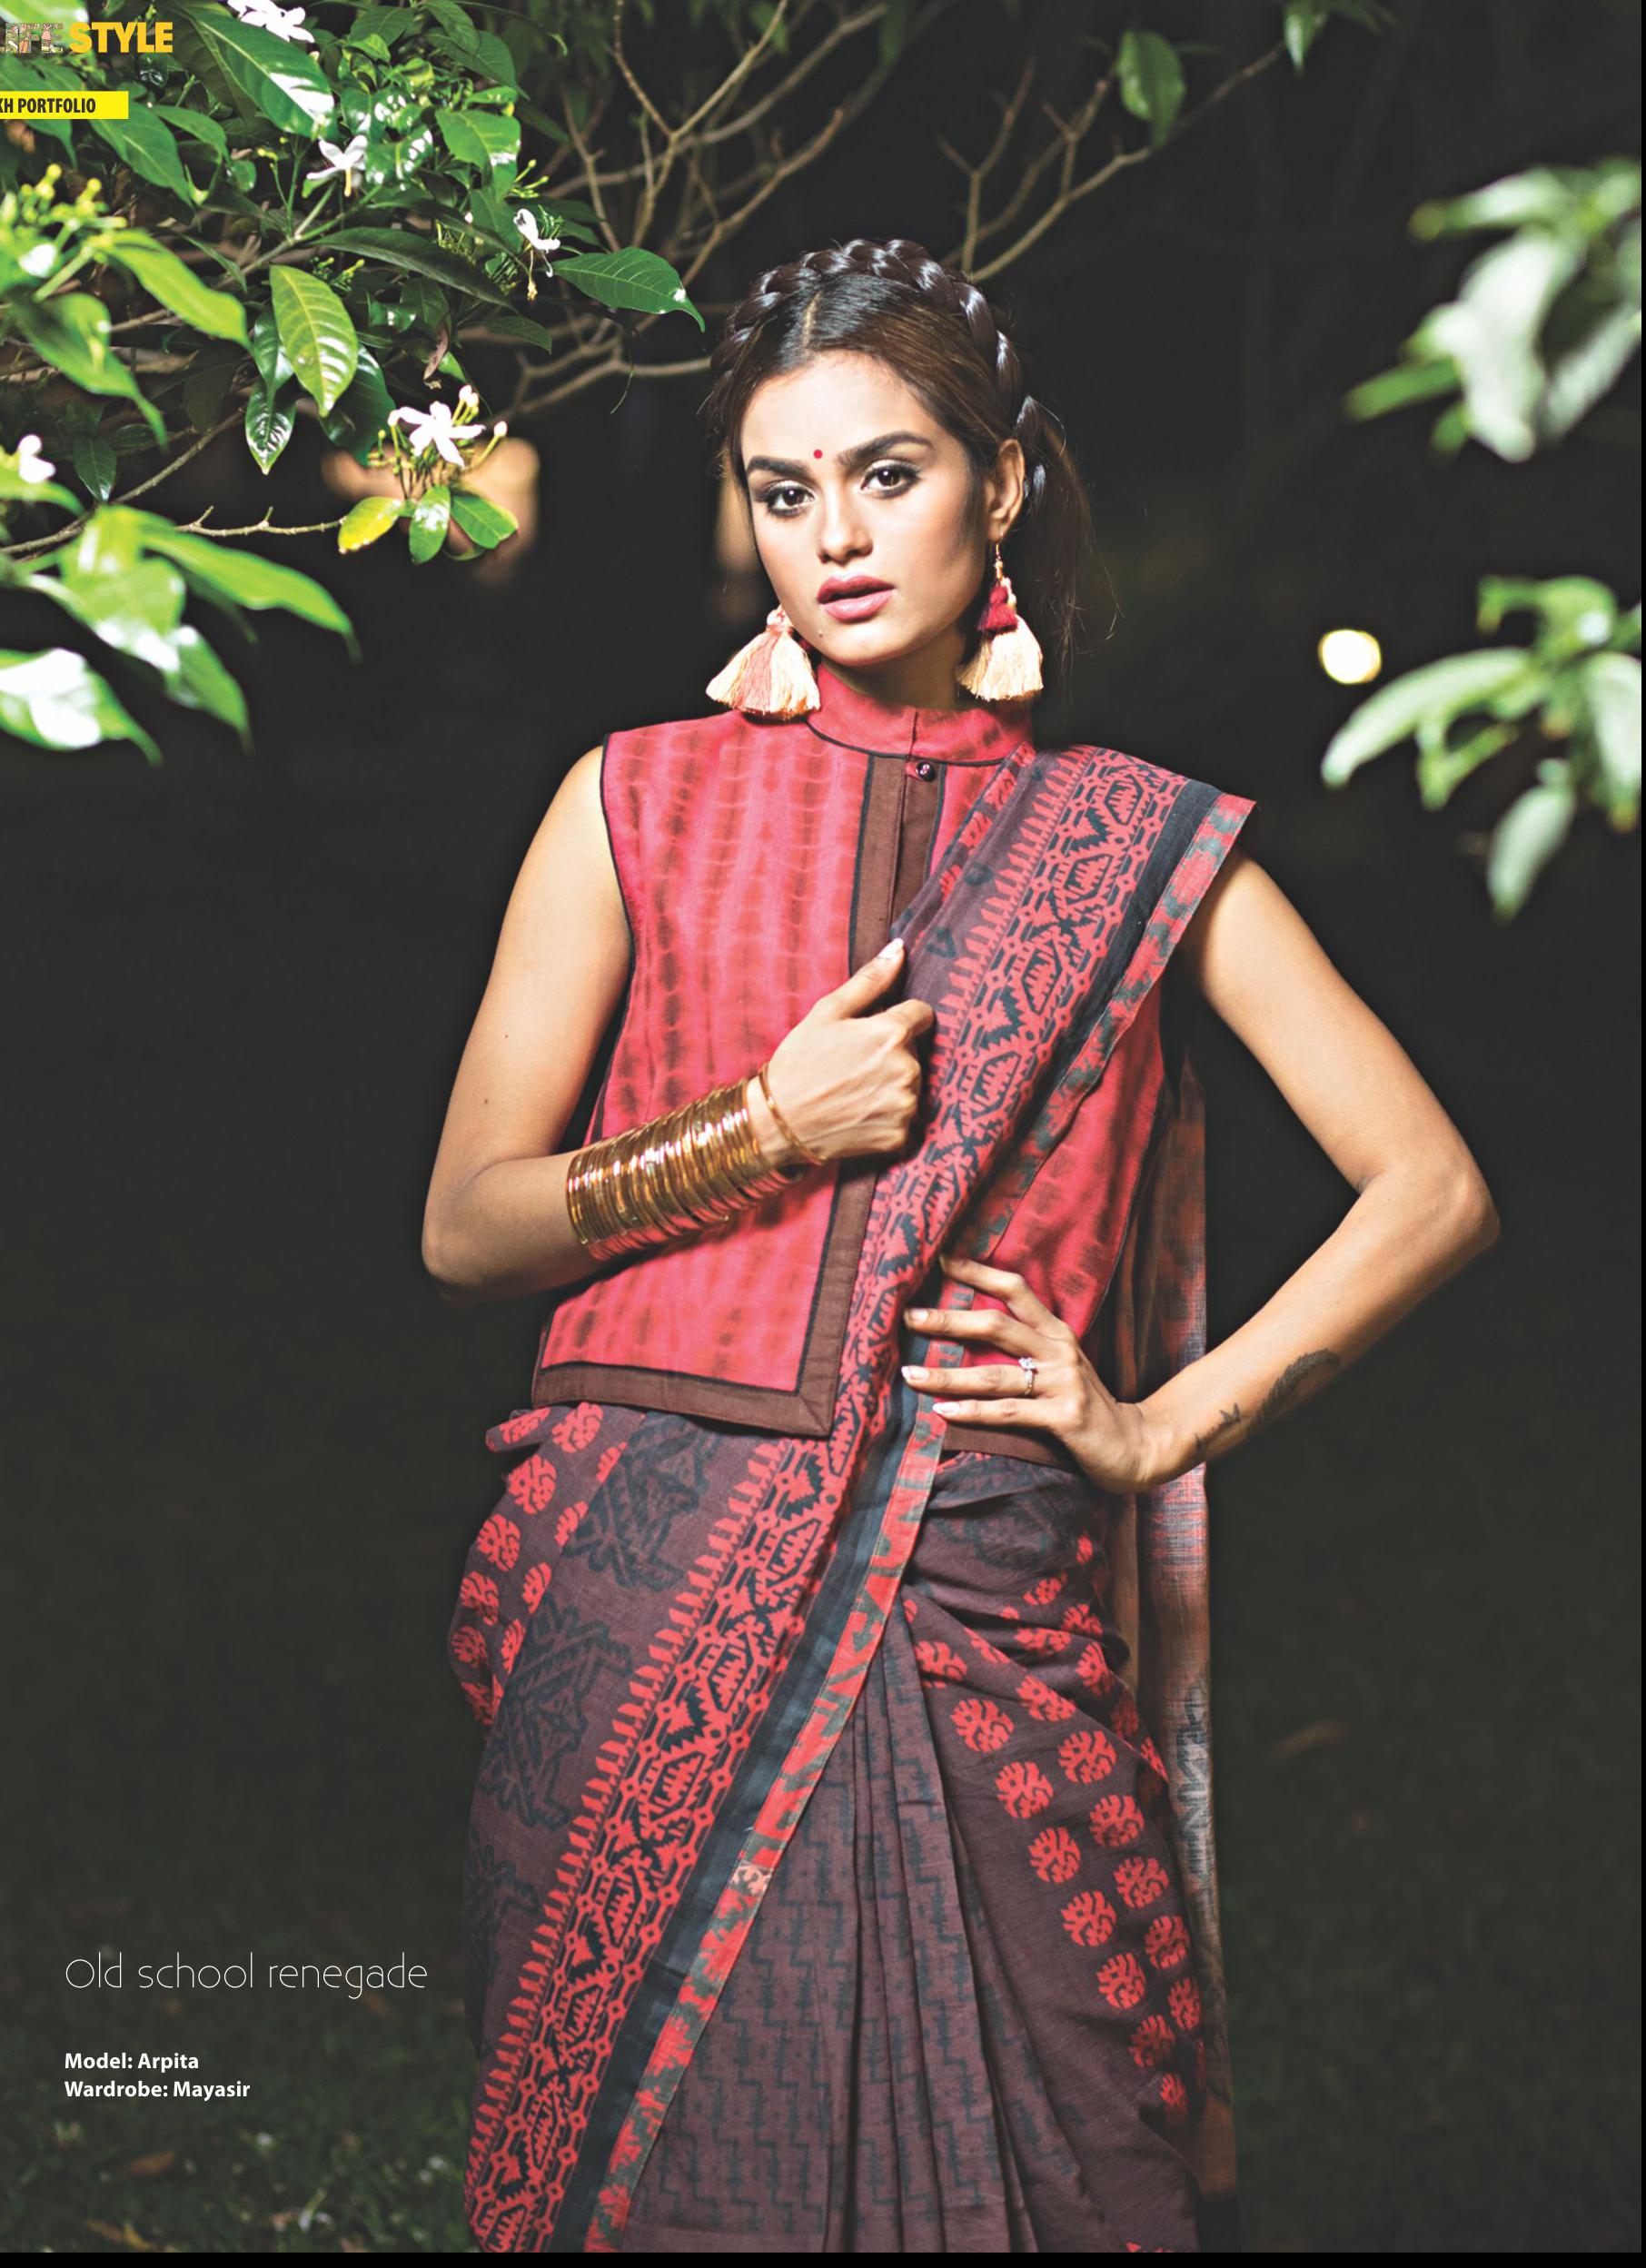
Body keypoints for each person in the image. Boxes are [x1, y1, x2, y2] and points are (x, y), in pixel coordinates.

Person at [422, 238, 1499, 2256]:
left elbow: (1429, 1187)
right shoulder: (633, 801)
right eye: (783, 488)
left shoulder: (1144, 842)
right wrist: (758, 1132)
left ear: (1000, 484)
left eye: (889, 473)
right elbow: (469, 1223)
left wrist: (1156, 1425)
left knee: (1072, 2133)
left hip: (983, 1574)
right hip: (637, 1568)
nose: (834, 536)